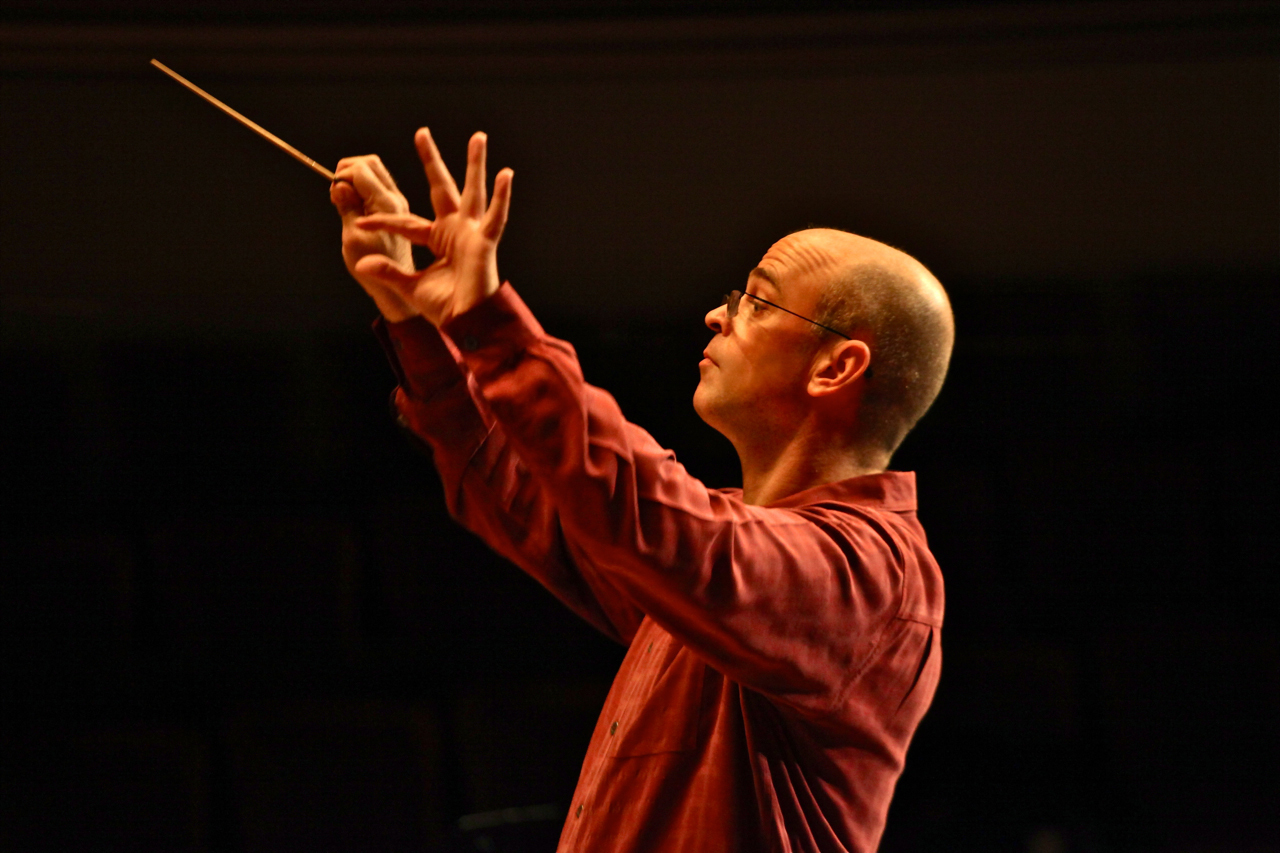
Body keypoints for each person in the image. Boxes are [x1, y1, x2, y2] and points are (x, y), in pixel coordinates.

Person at [330, 127, 953, 853]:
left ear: (836, 367)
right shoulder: (723, 565)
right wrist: (412, 313)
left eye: (756, 300)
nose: (717, 314)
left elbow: (652, 519)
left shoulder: (872, 579)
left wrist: (489, 317)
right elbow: (535, 499)